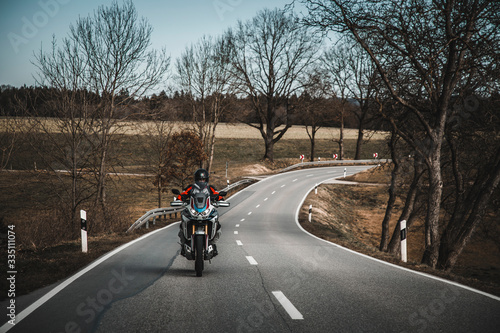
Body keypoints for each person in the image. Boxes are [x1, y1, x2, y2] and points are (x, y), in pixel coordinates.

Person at [177, 168, 223, 256]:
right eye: (199, 179)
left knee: (218, 226)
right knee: (182, 225)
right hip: (193, 209)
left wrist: (220, 199)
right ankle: (184, 244)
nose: (201, 181)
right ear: (196, 179)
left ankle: (213, 243)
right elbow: (183, 194)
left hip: (206, 209)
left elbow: (217, 195)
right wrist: (179, 199)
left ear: (206, 180)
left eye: (203, 179)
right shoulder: (191, 188)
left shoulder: (210, 188)